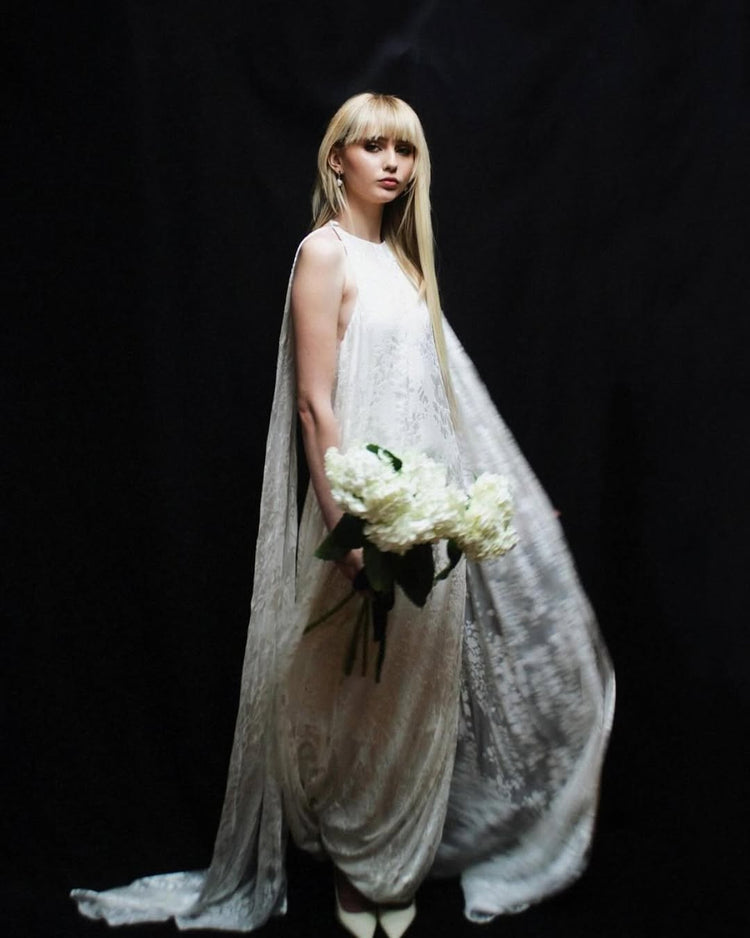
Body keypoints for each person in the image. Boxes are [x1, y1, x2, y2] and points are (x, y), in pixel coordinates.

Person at [71, 92, 614, 938]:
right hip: (360, 516)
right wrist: (346, 529)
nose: (392, 163)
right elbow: (316, 406)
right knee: (355, 695)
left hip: (426, 519)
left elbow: (451, 398)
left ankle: (398, 864)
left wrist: (497, 494)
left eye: (406, 149)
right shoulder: (323, 256)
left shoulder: (404, 264)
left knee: (417, 697)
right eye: (374, 146)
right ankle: (359, 869)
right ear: (338, 159)